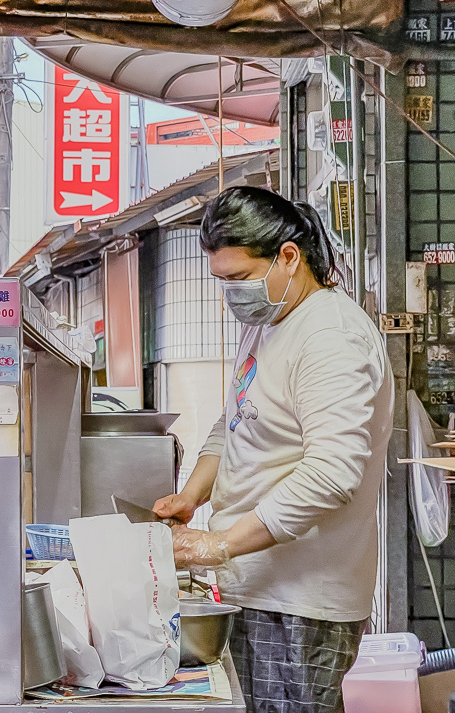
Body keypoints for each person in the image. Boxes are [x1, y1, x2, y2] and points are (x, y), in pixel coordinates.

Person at [153, 187, 393, 713]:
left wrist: (219, 546)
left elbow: (332, 472)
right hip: (255, 583)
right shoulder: (268, 323)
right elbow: (235, 419)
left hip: (303, 599)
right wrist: (192, 495)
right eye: (222, 281)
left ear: (289, 256)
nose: (231, 294)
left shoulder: (330, 337)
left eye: (238, 279)